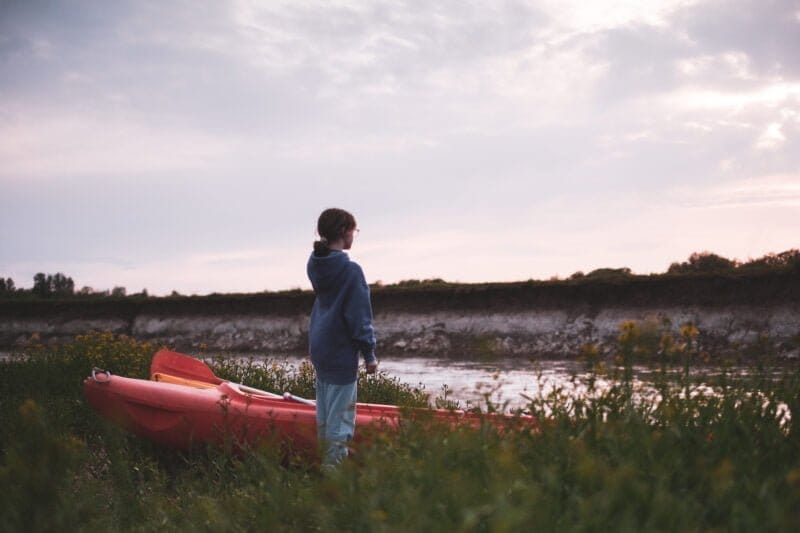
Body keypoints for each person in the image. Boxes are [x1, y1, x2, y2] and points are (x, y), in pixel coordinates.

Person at [307, 207, 378, 467]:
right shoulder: (351, 271)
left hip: (320, 346)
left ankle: (326, 467)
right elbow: (359, 317)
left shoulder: (315, 264)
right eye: (353, 230)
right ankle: (333, 478)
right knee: (341, 423)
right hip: (339, 351)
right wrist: (369, 354)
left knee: (325, 417)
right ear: (343, 231)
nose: (354, 235)